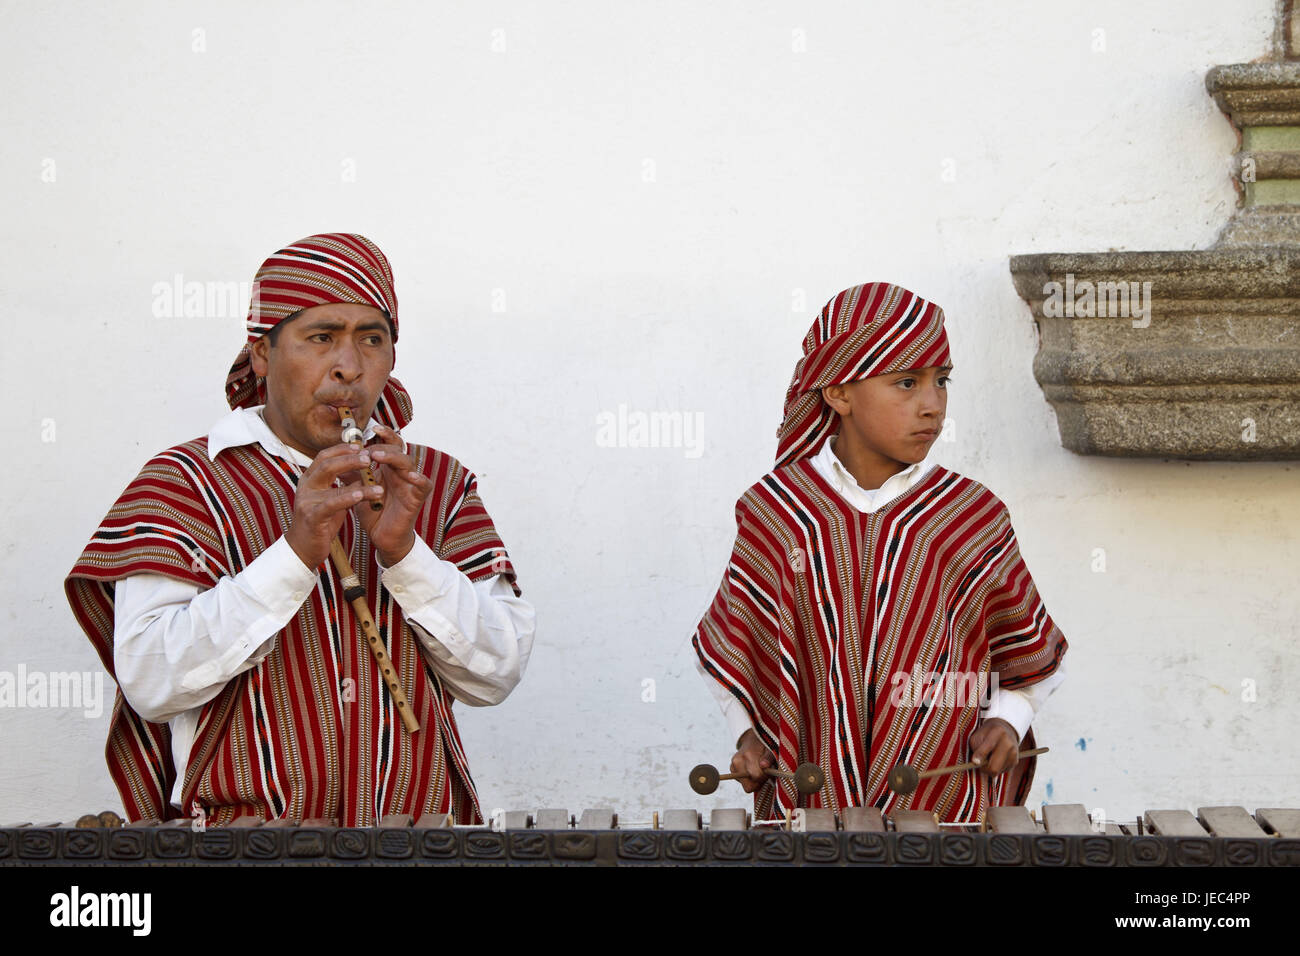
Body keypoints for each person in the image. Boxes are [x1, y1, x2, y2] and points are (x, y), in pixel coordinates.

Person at [66, 233, 535, 827]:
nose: (349, 367)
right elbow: (152, 681)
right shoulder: (185, 482)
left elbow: (497, 672)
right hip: (244, 849)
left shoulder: (433, 481)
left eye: (372, 338)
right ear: (262, 355)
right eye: (321, 338)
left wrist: (403, 553)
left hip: (415, 845)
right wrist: (293, 554)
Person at [693, 282, 1067, 823]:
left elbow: (1027, 651)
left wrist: (1009, 720)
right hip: (812, 812)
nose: (932, 405)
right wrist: (748, 735)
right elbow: (733, 649)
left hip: (941, 807)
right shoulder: (775, 513)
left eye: (942, 382)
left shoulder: (971, 515)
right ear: (839, 393)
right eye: (907, 383)